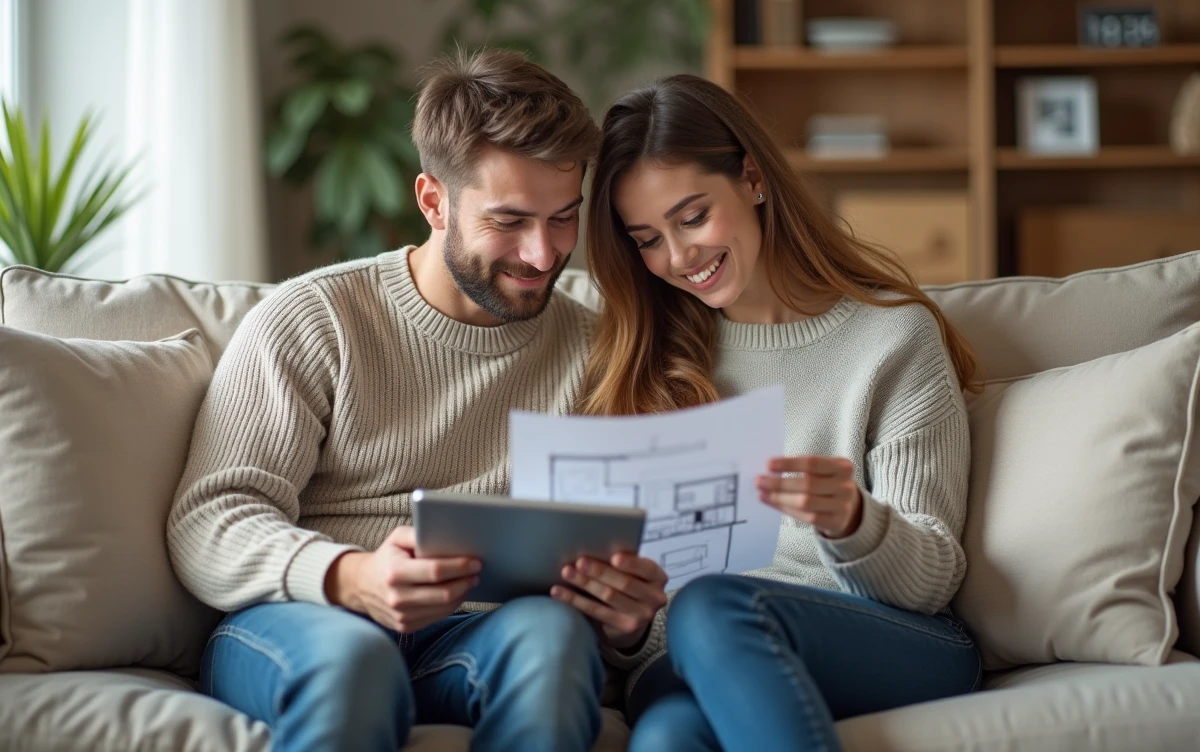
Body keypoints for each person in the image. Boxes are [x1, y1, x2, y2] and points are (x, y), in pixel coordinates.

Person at [167, 48, 668, 752]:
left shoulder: (596, 352)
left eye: (563, 218)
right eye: (509, 220)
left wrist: (630, 625)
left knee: (554, 641)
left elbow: (630, 566)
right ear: (433, 201)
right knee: (353, 662)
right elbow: (209, 518)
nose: (542, 254)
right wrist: (350, 576)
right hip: (306, 620)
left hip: (481, 632)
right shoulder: (316, 319)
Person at [577, 73, 984, 751]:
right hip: (691, 656)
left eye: (692, 217)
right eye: (647, 239)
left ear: (753, 179)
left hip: (885, 638)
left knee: (709, 608)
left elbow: (933, 579)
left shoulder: (891, 339)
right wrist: (627, 625)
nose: (678, 257)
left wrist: (853, 521)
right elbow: (646, 620)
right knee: (666, 738)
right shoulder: (646, 363)